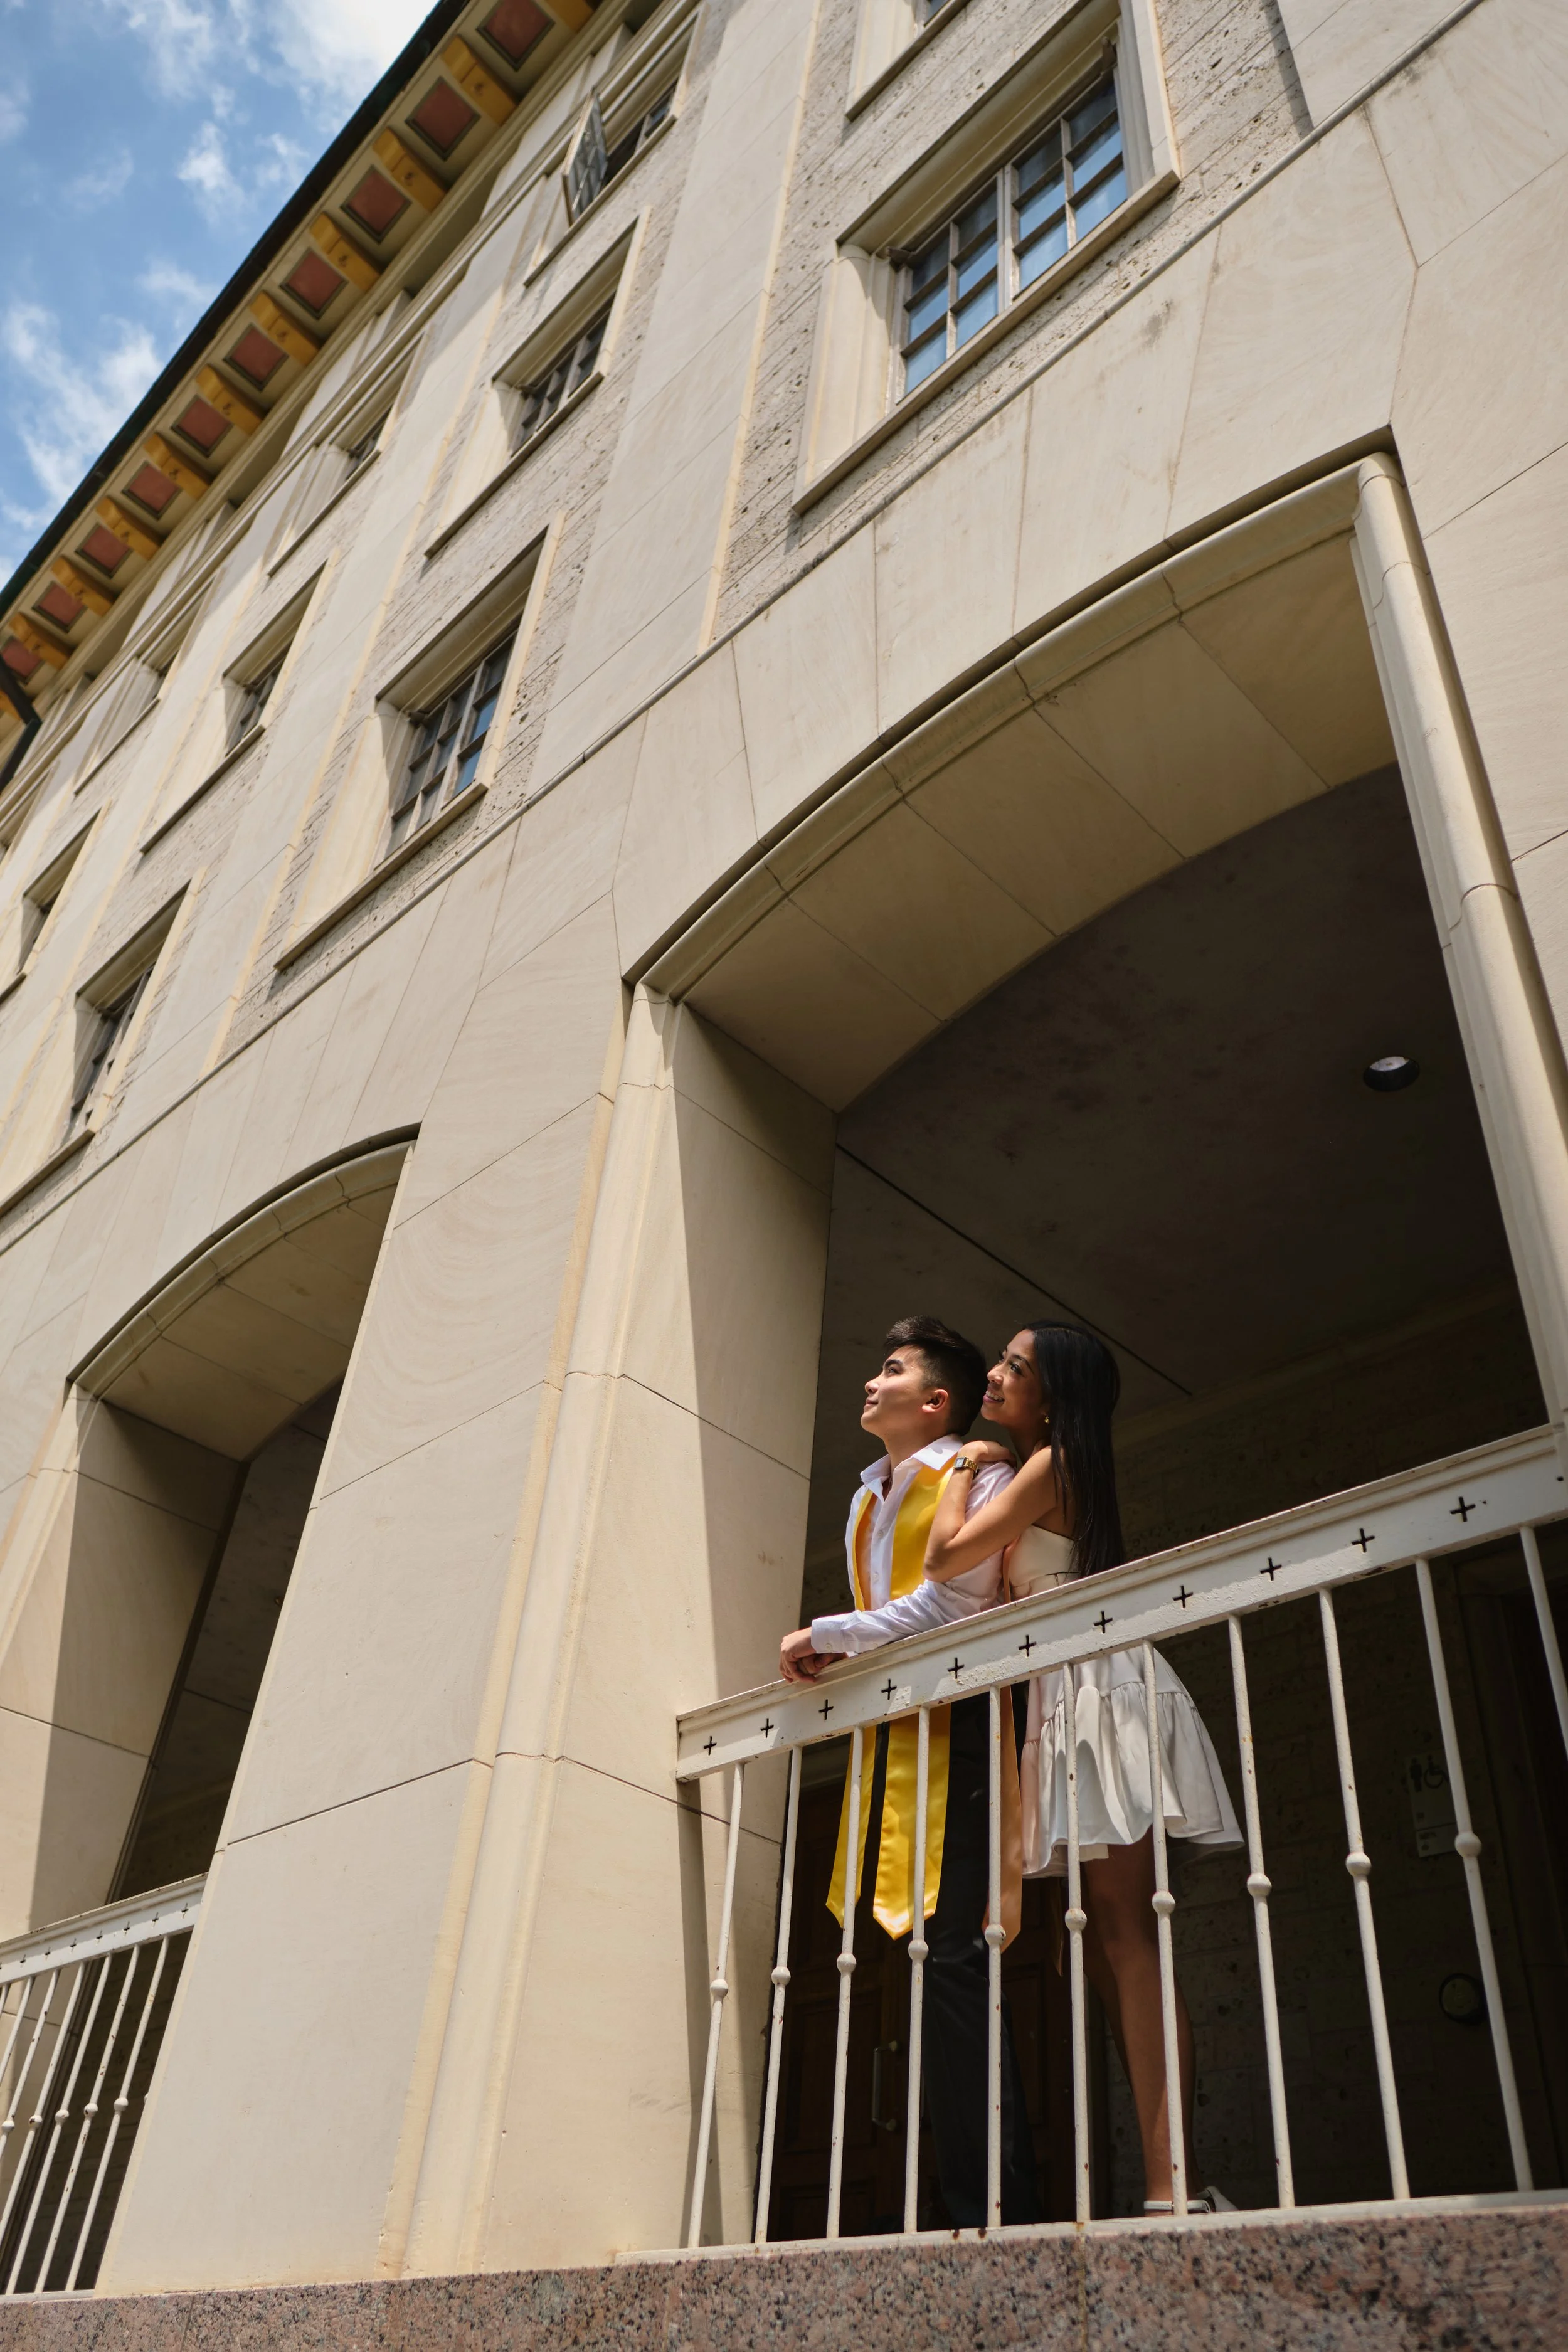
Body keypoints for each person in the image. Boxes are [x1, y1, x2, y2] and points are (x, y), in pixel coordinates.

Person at [923, 1322, 1242, 2215]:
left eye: (1015, 1368)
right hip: (1069, 1696)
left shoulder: (1051, 1462)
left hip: (1100, 1692)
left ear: (1053, 1396)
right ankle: (1160, 2178)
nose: (995, 1373)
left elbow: (946, 1555)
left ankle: (1169, 2184)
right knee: (1108, 1944)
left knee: (1128, 1937)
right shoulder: (1052, 1465)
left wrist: (957, 1469)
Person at [779, 1316, 1042, 2228]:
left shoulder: (981, 1471)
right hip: (891, 1739)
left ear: (935, 1399)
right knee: (919, 1960)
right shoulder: (863, 1499)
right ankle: (949, 2197)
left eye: (889, 1369)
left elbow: (949, 1602)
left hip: (963, 1727)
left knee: (960, 1957)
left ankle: (995, 2205)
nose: (870, 1382)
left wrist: (830, 1634)